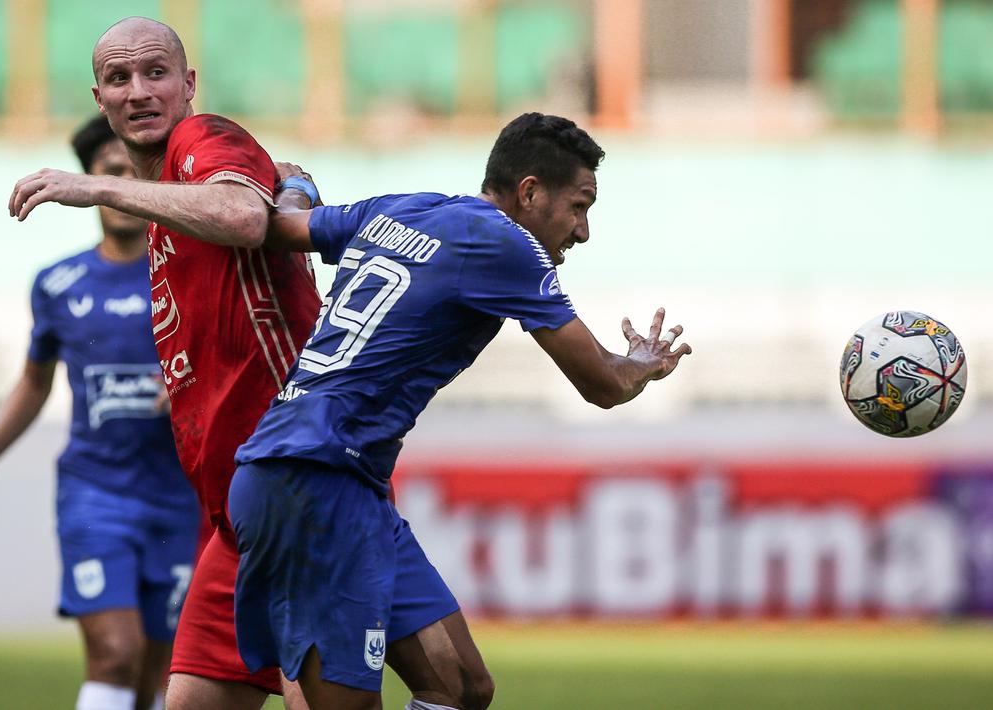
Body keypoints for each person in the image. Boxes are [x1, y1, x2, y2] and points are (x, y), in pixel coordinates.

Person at [227, 112, 693, 710]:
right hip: (311, 481)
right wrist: (643, 363)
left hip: (342, 480)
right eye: (580, 206)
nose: (582, 231)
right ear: (529, 192)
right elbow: (602, 384)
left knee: (462, 688)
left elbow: (280, 226)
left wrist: (299, 185)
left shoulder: (407, 208)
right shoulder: (508, 244)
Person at [6, 16, 317, 710]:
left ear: (189, 85)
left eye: (155, 73)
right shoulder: (159, 222)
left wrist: (99, 188)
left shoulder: (203, 140)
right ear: (100, 98)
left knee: (360, 691)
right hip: (225, 503)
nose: (139, 91)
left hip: (292, 477)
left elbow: (243, 217)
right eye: (120, 78)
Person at [0, 115, 201, 710]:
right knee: (114, 653)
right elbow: (35, 382)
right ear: (91, 183)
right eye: (108, 172)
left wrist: (191, 385)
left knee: (156, 667)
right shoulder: (59, 283)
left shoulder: (190, 274)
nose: (120, 184)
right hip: (96, 492)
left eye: (131, 172)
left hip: (181, 493)